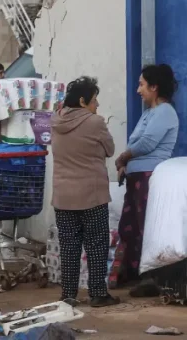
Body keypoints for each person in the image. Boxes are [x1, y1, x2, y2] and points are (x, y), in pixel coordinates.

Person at [51, 76, 120, 307]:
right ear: (82, 101)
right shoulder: (95, 122)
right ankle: (98, 293)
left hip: (63, 196)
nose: (97, 104)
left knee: (69, 246)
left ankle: (68, 295)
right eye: (94, 100)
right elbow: (110, 149)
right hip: (92, 194)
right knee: (96, 245)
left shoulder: (55, 121)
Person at [115, 64, 179, 297]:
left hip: (150, 177)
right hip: (137, 176)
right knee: (129, 226)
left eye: (142, 85)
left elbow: (146, 144)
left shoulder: (164, 112)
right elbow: (137, 143)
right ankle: (133, 272)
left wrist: (123, 157)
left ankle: (151, 277)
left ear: (155, 87)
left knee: (145, 226)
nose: (138, 90)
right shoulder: (149, 113)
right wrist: (125, 164)